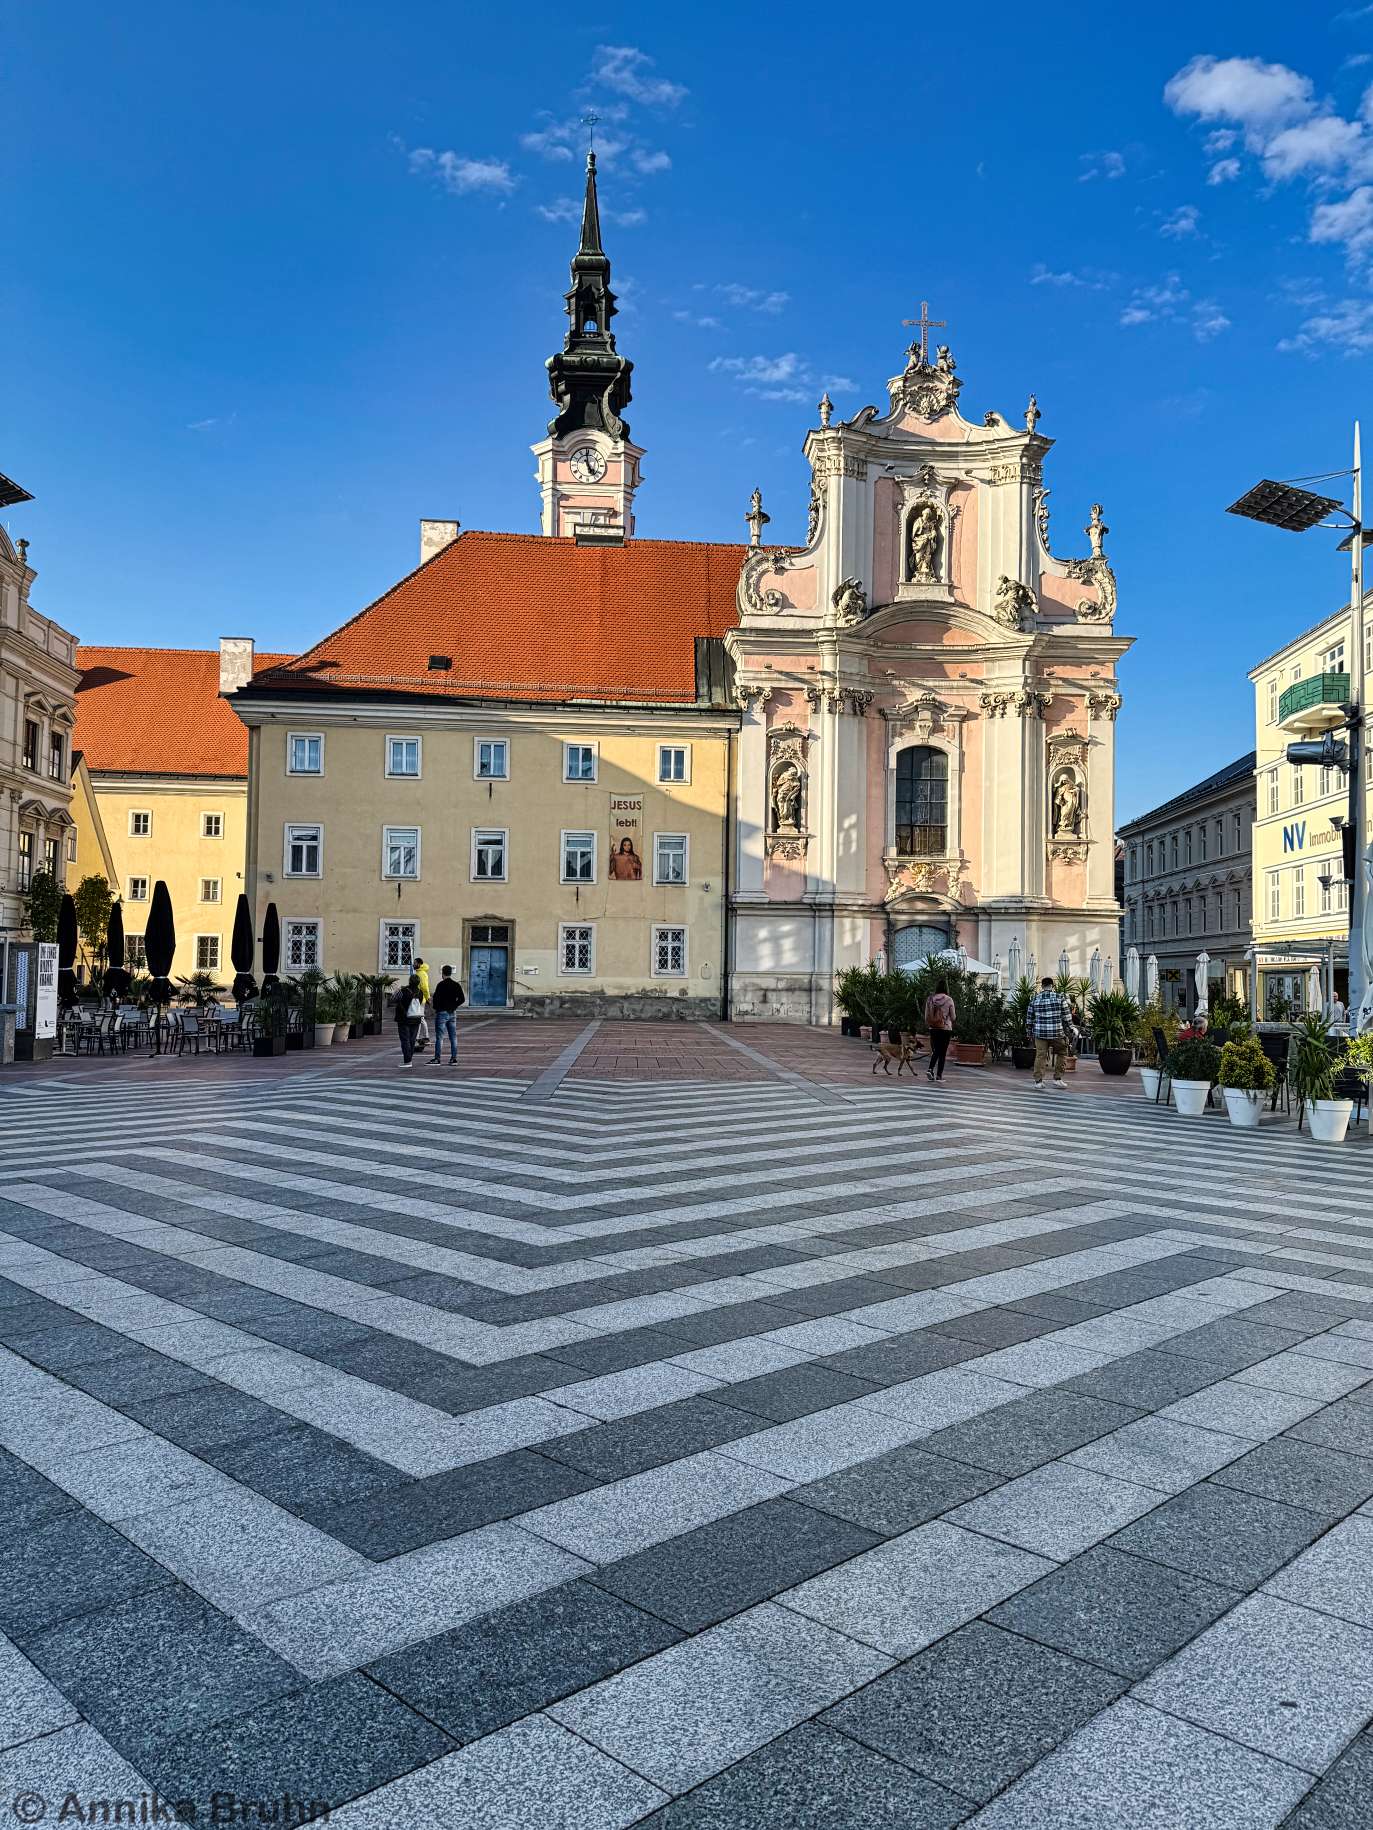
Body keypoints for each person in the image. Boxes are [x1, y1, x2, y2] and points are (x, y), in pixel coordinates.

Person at [1027, 975, 1072, 1089]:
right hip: (1056, 1033)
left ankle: (1038, 1082)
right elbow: (1067, 1016)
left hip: (1039, 1033)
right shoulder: (1060, 997)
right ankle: (1058, 1079)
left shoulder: (1034, 999)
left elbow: (1029, 1018)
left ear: (1042, 986)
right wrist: (1070, 1027)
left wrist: (1029, 1031)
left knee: (1040, 1056)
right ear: (1052, 986)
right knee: (1062, 1052)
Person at [430, 964, 465, 1065]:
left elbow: (436, 999)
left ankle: (437, 1059)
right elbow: (462, 999)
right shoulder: (456, 985)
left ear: (443, 973)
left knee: (440, 1037)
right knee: (453, 1037)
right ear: (450, 973)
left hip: (442, 1012)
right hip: (452, 1013)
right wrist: (454, 1006)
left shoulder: (440, 985)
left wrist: (436, 1008)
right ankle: (453, 1059)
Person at [923, 979, 956, 1083]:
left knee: (936, 1050)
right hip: (945, 1028)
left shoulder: (930, 999)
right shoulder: (949, 999)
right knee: (942, 1052)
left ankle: (930, 1069)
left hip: (933, 1028)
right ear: (946, 988)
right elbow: (953, 1017)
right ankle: (939, 1075)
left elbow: (926, 1017)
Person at [392, 973, 423, 1067]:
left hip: (404, 1019)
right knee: (412, 1040)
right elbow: (420, 1002)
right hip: (416, 1018)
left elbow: (393, 999)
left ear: (409, 981)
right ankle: (409, 1059)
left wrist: (396, 990)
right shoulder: (420, 992)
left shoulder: (403, 991)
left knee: (405, 1040)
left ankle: (407, 1061)